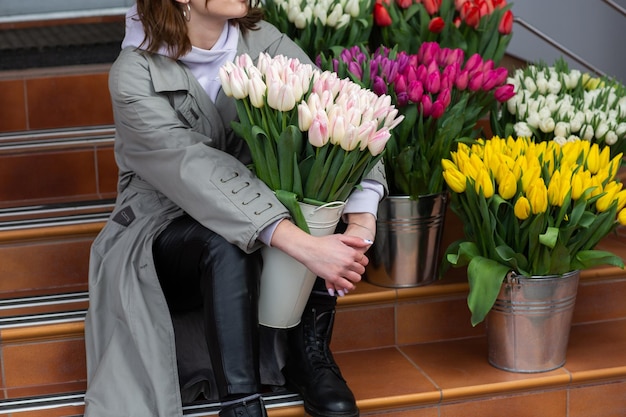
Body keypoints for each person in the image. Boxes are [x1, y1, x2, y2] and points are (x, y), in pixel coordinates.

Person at [83, 1, 387, 417]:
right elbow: (195, 169)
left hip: (256, 216)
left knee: (316, 191)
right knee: (224, 241)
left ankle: (306, 355)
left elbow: (340, 109)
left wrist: (361, 215)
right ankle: (242, 404)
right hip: (162, 229)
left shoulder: (262, 42)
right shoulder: (135, 72)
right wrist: (303, 245)